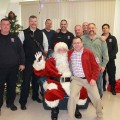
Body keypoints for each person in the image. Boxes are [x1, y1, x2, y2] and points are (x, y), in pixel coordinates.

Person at [33, 42, 71, 120]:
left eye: (64, 50)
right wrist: (39, 63)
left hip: (69, 82)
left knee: (79, 90)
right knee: (51, 92)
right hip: (54, 82)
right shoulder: (51, 61)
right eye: (59, 50)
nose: (62, 51)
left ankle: (75, 108)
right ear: (56, 51)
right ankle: (54, 109)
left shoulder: (71, 60)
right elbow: (41, 71)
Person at [68, 37, 103, 120]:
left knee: (97, 98)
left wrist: (93, 79)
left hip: (88, 79)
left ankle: (100, 115)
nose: (76, 45)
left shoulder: (88, 53)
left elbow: (96, 67)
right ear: (72, 45)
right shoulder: (70, 53)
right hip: (76, 79)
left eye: (78, 43)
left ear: (82, 43)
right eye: (74, 43)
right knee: (72, 97)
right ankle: (70, 117)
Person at [18, 15, 48, 110]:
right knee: (26, 82)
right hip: (27, 61)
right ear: (29, 22)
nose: (33, 23)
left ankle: (35, 96)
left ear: (37, 22)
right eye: (32, 21)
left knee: (36, 81)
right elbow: (19, 48)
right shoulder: (23, 33)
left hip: (38, 62)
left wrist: (44, 56)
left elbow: (46, 45)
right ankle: (23, 101)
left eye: (35, 21)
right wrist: (21, 61)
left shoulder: (41, 33)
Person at [0, 18, 25, 114]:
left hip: (13, 68)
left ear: (10, 26)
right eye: (3, 24)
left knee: (11, 87)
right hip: (1, 68)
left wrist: (22, 63)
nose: (6, 26)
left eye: (7, 24)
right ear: (0, 26)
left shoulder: (15, 37)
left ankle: (10, 103)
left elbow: (21, 51)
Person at [81, 23, 109, 97]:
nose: (91, 29)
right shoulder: (82, 39)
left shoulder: (101, 39)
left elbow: (105, 54)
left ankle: (99, 97)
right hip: (86, 66)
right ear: (87, 29)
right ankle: (88, 97)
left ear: (95, 29)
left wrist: (103, 65)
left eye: (93, 28)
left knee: (98, 82)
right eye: (89, 28)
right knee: (87, 82)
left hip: (97, 66)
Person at [102, 24, 118, 95]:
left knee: (112, 74)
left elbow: (115, 49)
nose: (105, 29)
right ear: (102, 29)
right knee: (102, 74)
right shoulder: (100, 38)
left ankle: (113, 88)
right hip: (102, 61)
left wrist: (108, 57)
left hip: (110, 60)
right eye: (103, 28)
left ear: (109, 29)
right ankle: (103, 87)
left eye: (106, 28)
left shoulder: (113, 38)